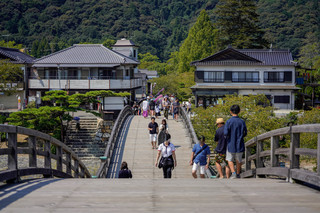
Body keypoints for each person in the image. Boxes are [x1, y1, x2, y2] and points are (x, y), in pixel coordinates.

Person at [224, 105, 247, 179]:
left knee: (229, 159)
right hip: (240, 143)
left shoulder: (229, 121)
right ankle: (238, 173)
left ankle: (233, 173)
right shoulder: (242, 121)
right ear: (239, 111)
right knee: (238, 160)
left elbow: (225, 133)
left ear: (230, 112)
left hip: (231, 143)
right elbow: (245, 132)